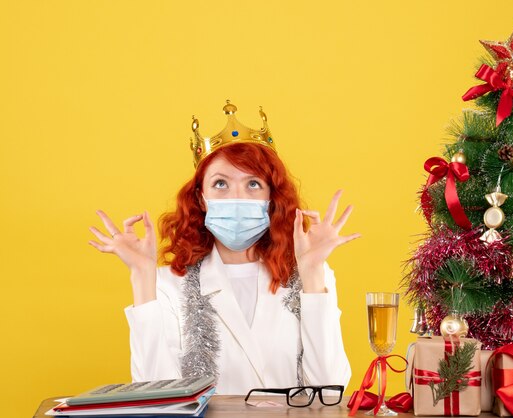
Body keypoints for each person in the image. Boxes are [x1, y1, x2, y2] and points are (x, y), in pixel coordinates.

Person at [88, 101, 359, 394]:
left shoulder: (310, 277)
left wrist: (313, 271)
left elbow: (331, 393)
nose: (237, 197)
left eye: (253, 184)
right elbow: (156, 396)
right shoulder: (168, 285)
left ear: (272, 199)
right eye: (220, 184)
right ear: (201, 199)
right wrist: (142, 276)